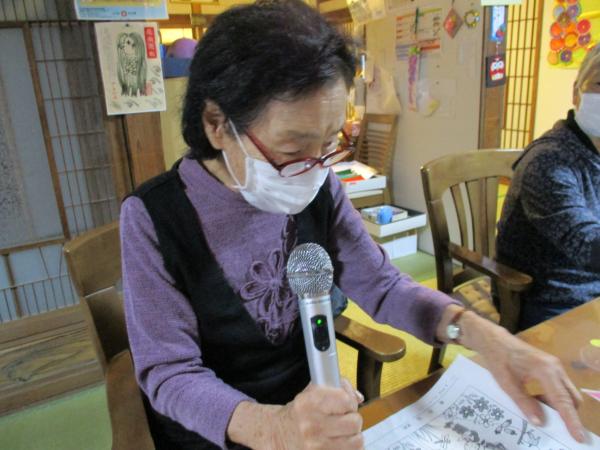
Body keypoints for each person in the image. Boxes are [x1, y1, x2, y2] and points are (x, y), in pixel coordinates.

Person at [121, 1, 585, 448]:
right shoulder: (153, 218)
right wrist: (272, 429)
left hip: (311, 418)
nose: (314, 168)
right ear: (217, 123)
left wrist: (485, 335)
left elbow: (383, 287)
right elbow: (169, 373)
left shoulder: (319, 186)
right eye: (292, 148)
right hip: (216, 434)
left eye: (329, 143)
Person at [496, 44, 600, 331]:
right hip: (550, 296)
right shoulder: (548, 161)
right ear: (576, 92)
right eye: (599, 84)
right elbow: (586, 244)